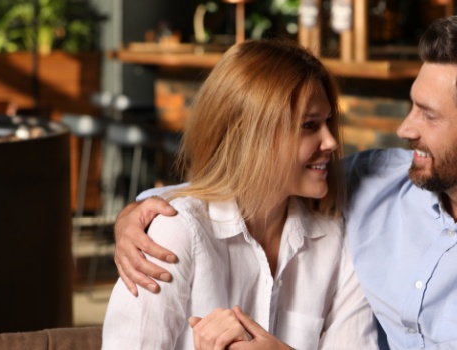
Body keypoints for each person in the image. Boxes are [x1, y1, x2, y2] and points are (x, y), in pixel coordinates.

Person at [114, 15, 457, 349]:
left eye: (428, 115)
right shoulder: (379, 182)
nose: (404, 128)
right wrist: (146, 212)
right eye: (412, 103)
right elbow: (250, 179)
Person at [102, 39, 378, 350]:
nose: (330, 141)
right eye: (309, 125)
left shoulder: (340, 242)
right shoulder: (175, 233)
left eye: (328, 122)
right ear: (249, 135)